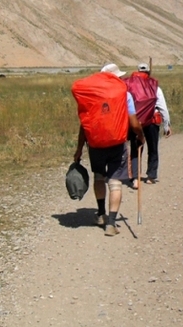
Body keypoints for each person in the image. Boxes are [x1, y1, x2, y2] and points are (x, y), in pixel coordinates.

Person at [73, 63, 145, 236]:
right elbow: (134, 122)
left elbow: (85, 125)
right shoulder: (124, 95)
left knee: (99, 177)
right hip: (117, 144)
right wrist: (141, 136)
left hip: (95, 144)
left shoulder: (91, 96)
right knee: (115, 183)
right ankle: (111, 223)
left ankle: (100, 214)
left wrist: (79, 149)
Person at [134, 62, 172, 185]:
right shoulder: (155, 88)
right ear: (148, 72)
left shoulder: (131, 87)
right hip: (152, 121)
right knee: (153, 148)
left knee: (136, 149)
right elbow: (163, 108)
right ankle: (151, 176)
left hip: (136, 121)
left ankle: (135, 178)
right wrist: (167, 125)